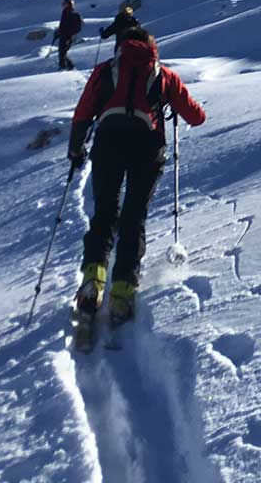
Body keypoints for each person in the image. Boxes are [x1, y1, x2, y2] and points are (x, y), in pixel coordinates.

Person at [67, 28, 205, 324]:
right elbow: (195, 116)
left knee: (104, 214)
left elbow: (83, 112)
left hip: (108, 144)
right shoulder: (163, 74)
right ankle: (123, 290)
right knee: (133, 217)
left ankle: (92, 281)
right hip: (148, 147)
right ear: (152, 47)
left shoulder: (106, 71)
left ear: (121, 47)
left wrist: (76, 149)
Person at [54, 0, 83, 70]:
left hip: (68, 36)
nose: (63, 5)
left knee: (62, 52)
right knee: (62, 51)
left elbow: (78, 27)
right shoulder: (65, 13)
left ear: (69, 4)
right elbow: (63, 25)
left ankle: (65, 67)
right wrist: (59, 32)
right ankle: (67, 66)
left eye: (64, 4)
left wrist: (68, 32)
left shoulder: (73, 13)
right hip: (64, 35)